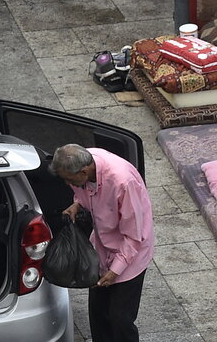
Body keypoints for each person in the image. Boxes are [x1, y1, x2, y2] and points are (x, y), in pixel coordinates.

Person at [52, 144, 154, 342]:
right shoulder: (83, 165)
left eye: (70, 180)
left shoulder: (122, 182)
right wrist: (77, 203)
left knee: (120, 318)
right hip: (101, 246)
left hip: (130, 254)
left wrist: (115, 270)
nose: (67, 183)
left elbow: (134, 236)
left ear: (84, 171)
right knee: (99, 315)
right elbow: (84, 190)